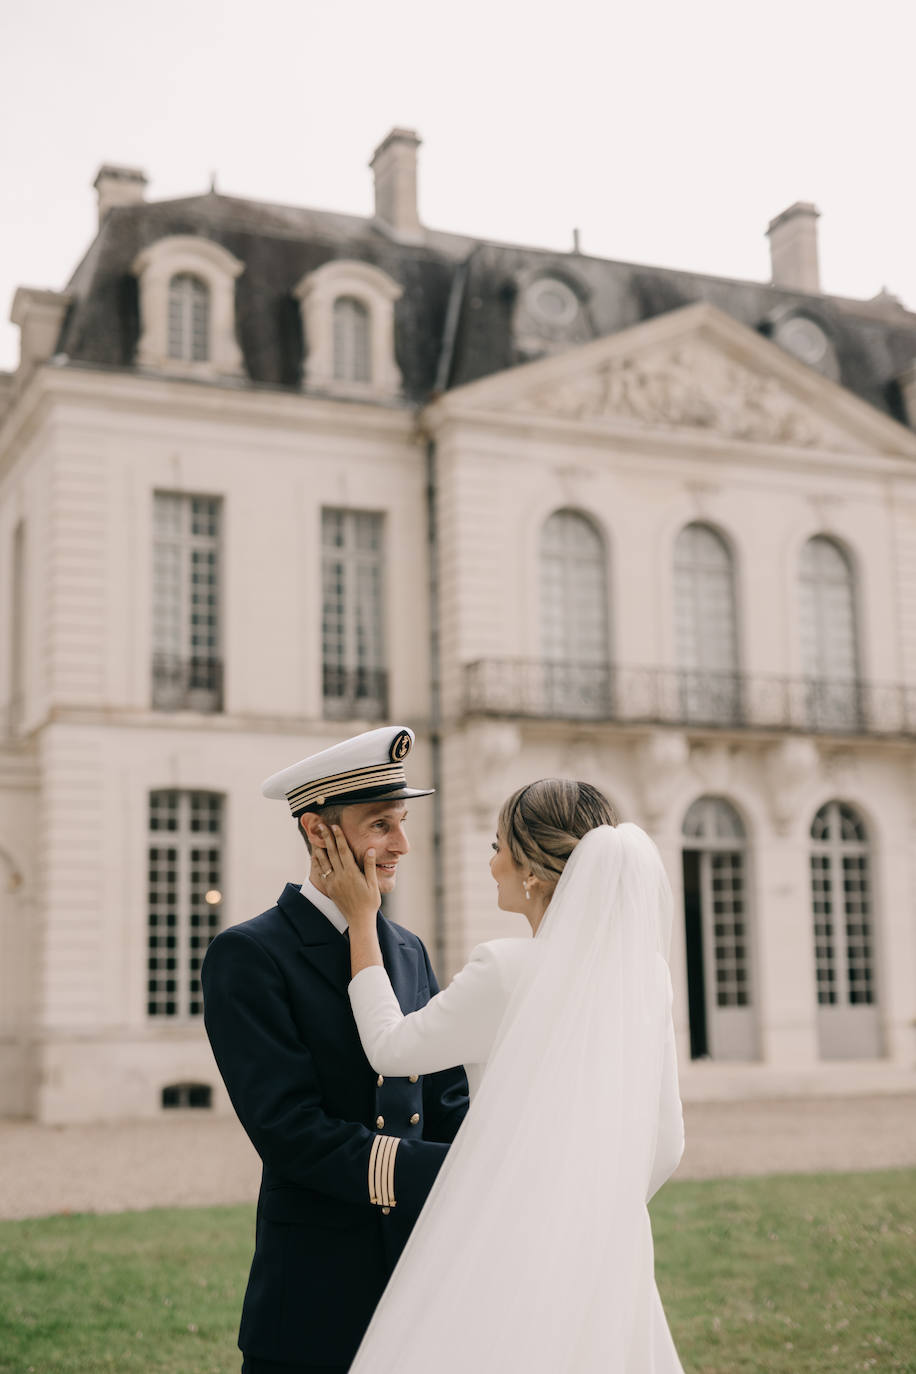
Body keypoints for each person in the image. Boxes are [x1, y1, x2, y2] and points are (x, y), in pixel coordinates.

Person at [314, 778, 686, 1374]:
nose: (491, 865)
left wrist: (362, 920)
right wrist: (590, 1208)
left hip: (508, 1246)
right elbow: (667, 1143)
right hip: (609, 1251)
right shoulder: (648, 977)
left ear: (532, 872)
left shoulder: (506, 970)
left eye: (496, 846)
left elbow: (390, 1048)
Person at [201, 725, 469, 1374]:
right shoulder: (250, 955)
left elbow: (446, 1094)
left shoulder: (407, 949)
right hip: (315, 1294)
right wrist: (454, 1173)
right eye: (380, 824)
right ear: (319, 832)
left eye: (401, 822)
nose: (401, 844)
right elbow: (289, 1131)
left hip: (418, 1279)